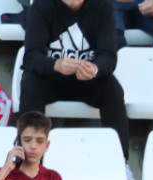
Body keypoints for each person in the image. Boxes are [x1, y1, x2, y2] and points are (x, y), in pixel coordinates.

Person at [20, 0, 132, 166]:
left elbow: (109, 56)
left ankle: (120, 162)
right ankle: (27, 162)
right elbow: (31, 56)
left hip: (86, 80)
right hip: (50, 79)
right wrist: (55, 65)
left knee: (112, 88)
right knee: (30, 83)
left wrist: (95, 69)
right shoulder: (42, 5)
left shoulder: (102, 6)